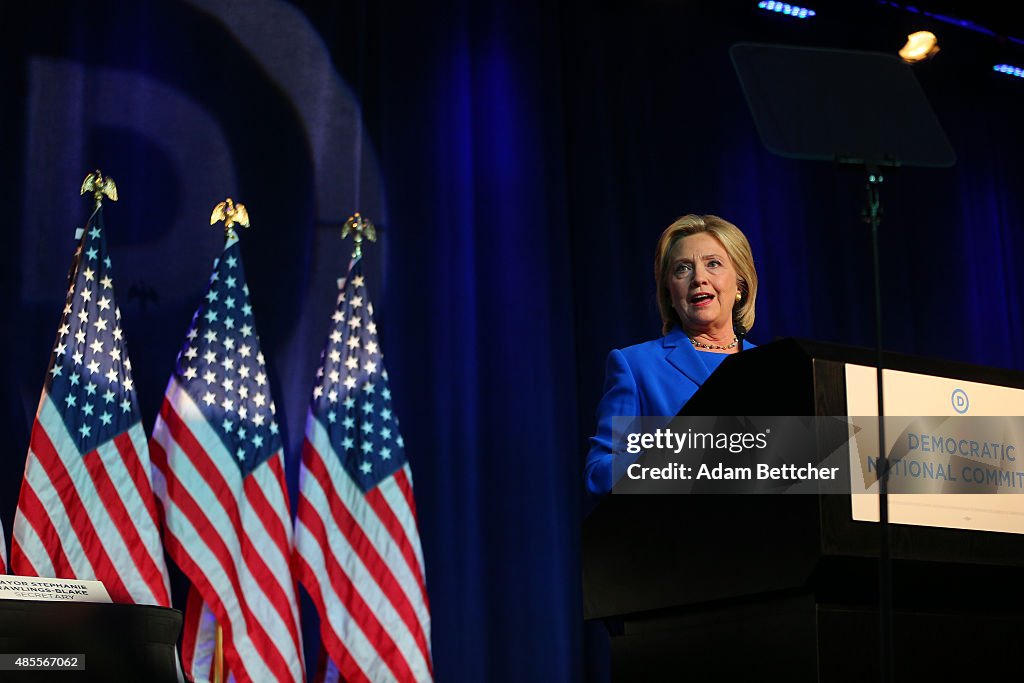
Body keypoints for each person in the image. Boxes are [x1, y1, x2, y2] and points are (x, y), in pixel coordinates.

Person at [584, 214, 759, 496]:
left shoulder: (775, 369)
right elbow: (600, 475)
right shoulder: (635, 366)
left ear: (740, 284)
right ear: (669, 291)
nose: (699, 278)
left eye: (713, 264)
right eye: (682, 269)